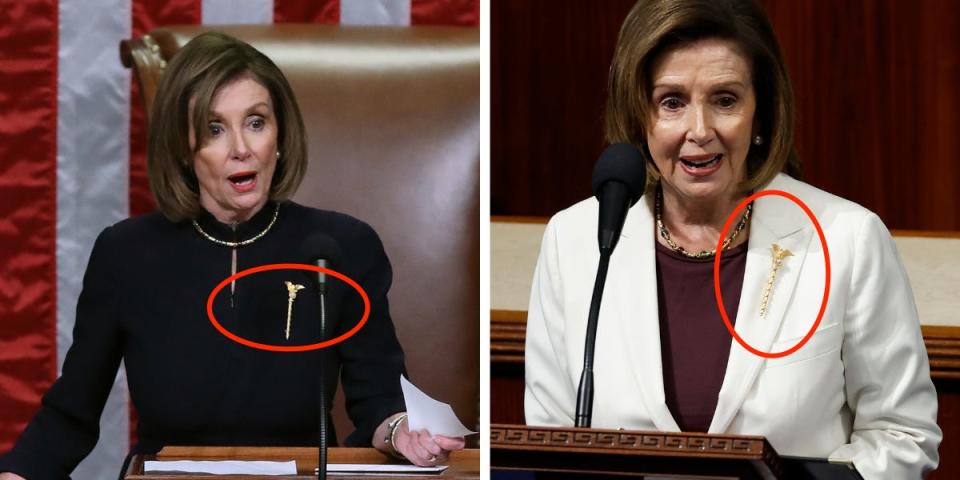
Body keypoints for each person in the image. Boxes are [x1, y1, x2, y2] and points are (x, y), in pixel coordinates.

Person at [0, 32, 464, 480]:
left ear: (280, 137)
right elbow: (71, 412)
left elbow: (379, 399)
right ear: (183, 148)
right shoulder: (125, 254)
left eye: (256, 122)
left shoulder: (342, 247)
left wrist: (403, 432)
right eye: (214, 129)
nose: (241, 149)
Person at [523, 0, 941, 478]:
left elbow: (902, 435)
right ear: (640, 116)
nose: (699, 131)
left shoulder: (847, 238)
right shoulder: (573, 242)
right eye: (672, 102)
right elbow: (550, 441)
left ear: (759, 115)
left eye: (725, 100)